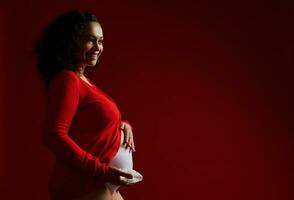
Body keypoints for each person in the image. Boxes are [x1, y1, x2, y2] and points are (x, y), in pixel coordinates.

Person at [35, 10, 142, 200]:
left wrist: (120, 126)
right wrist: (103, 171)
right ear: (71, 42)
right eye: (91, 40)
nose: (97, 47)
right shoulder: (68, 80)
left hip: (99, 184)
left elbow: (89, 124)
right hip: (83, 184)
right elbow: (54, 135)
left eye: (100, 41)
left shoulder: (83, 81)